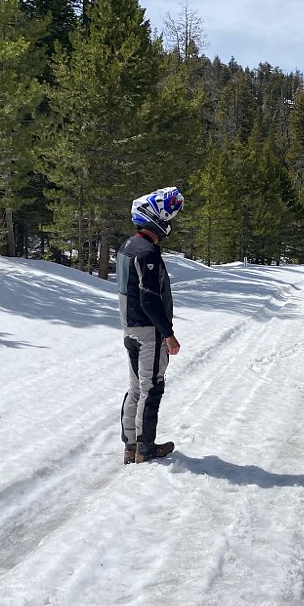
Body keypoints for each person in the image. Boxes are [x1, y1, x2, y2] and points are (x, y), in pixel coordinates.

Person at [118, 187, 184, 464]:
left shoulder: (128, 247)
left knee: (136, 388)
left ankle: (131, 446)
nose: (169, 224)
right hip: (147, 331)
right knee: (151, 387)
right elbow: (149, 299)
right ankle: (145, 448)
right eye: (167, 218)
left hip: (130, 328)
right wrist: (168, 335)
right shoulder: (147, 253)